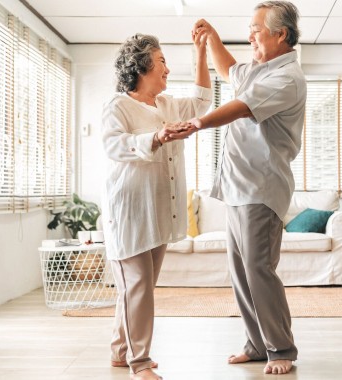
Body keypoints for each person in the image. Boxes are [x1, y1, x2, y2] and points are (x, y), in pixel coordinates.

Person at [187, 1, 305, 375]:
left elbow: (240, 107)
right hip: (238, 186)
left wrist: (196, 123)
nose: (251, 33)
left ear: (280, 33)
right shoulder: (258, 69)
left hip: (261, 187)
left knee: (258, 269)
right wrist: (210, 40)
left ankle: (281, 348)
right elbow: (228, 70)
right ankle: (256, 345)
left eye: (256, 28)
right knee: (240, 271)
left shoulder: (286, 78)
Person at [101, 32, 210, 380]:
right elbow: (114, 147)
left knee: (138, 288)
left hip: (159, 211)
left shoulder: (167, 105)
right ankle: (140, 363)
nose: (167, 68)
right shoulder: (118, 106)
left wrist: (201, 50)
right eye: (162, 61)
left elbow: (202, 101)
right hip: (130, 213)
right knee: (137, 287)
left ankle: (121, 351)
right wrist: (158, 137)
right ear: (142, 66)